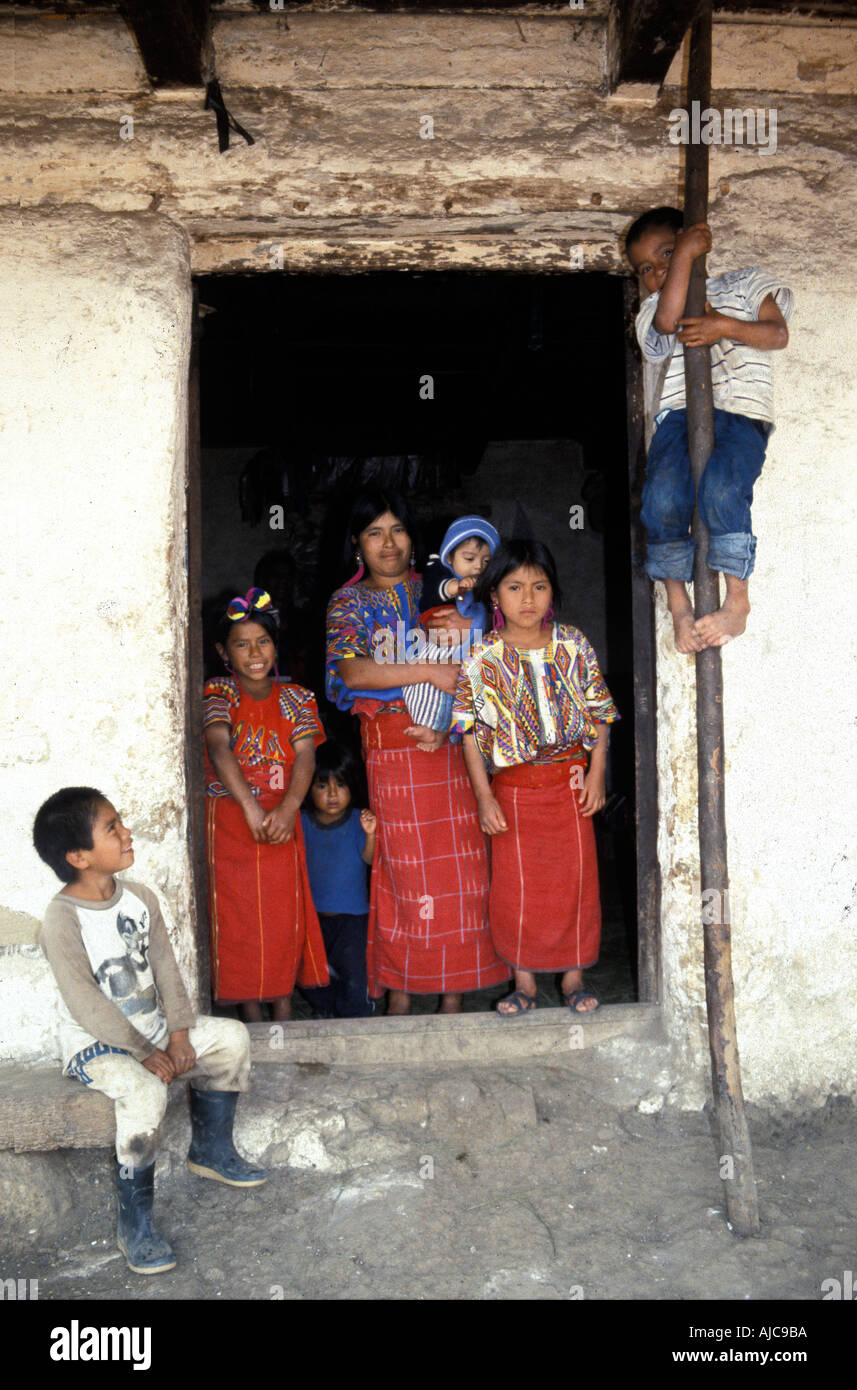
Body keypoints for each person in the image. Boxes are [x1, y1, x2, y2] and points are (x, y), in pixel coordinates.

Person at [33, 787, 266, 1276]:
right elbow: (84, 1001)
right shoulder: (61, 919)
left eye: (121, 823)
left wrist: (179, 1033)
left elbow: (165, 968)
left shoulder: (138, 897)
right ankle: (134, 1223)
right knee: (143, 1093)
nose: (126, 833)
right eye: (112, 829)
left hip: (153, 1032)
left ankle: (210, 1151)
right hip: (97, 1046)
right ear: (78, 857)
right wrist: (142, 1051)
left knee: (231, 1040)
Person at [325, 487, 510, 1014]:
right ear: (357, 544)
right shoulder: (349, 602)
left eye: (398, 530)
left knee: (462, 874)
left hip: (455, 744)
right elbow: (351, 671)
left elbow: (496, 643)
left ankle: (452, 998)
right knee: (404, 873)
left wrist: (470, 628)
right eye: (374, 532)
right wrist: (429, 669)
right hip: (393, 750)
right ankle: (402, 997)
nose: (389, 543)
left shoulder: (443, 589)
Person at [451, 540, 620, 1016]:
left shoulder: (573, 644)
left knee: (576, 885)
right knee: (515, 889)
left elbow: (599, 713)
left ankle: (573, 979)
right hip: (514, 790)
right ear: (494, 597)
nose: (528, 598)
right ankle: (523, 983)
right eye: (515, 587)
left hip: (569, 787)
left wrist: (597, 773)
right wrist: (485, 798)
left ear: (553, 593)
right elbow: (467, 733)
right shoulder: (483, 657)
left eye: (539, 586)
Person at [625, 206, 793, 652]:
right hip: (679, 417)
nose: (659, 271)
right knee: (662, 500)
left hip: (742, 411)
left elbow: (777, 334)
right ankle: (680, 607)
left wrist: (724, 326)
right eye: (648, 268)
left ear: (689, 239)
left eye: (666, 253)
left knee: (721, 492)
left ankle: (737, 602)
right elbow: (667, 321)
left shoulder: (745, 283)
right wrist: (683, 257)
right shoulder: (651, 310)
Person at [203, 587, 329, 1022]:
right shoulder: (220, 693)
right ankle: (253, 1016)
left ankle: (282, 1008)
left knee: (280, 917)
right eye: (242, 643)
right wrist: (252, 809)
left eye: (263, 641)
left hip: (281, 820)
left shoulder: (297, 698)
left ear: (277, 647)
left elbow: (307, 755)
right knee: (239, 920)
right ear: (223, 651)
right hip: (233, 824)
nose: (254, 653)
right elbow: (219, 750)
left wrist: (288, 808)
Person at [402, 515, 500, 749]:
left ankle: (445, 733)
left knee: (466, 695)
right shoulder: (438, 571)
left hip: (469, 652)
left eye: (486, 562)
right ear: (449, 557)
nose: (478, 566)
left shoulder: (487, 586)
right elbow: (434, 591)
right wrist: (455, 587)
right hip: (439, 645)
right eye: (469, 558)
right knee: (422, 686)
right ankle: (430, 728)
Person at [299, 740, 376, 1019]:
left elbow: (369, 860)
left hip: (353, 918)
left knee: (354, 971)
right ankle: (326, 1009)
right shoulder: (301, 822)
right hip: (314, 916)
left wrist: (370, 835)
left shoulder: (358, 819)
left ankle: (356, 1016)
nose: (332, 794)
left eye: (340, 785)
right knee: (313, 971)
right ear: (306, 787)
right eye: (322, 786)